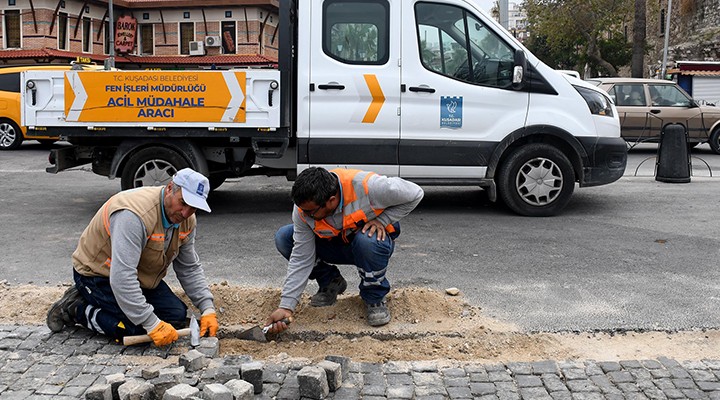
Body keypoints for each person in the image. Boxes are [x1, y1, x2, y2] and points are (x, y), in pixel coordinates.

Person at [46, 168, 218, 347]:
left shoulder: (187, 220)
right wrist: (151, 323)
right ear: (169, 189)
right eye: (183, 202)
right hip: (98, 274)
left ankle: (106, 306)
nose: (185, 213)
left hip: (138, 276)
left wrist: (207, 308)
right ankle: (77, 308)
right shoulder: (134, 216)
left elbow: (188, 267)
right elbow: (122, 277)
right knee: (131, 328)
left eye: (193, 208)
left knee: (175, 316)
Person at [265, 167, 424, 332]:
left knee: (368, 241)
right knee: (284, 238)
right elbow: (301, 257)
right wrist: (286, 306)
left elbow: (416, 193)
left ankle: (374, 297)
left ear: (332, 200)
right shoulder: (304, 209)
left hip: (368, 247)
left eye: (310, 212)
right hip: (333, 244)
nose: (305, 215)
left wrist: (383, 220)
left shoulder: (371, 187)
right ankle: (331, 282)